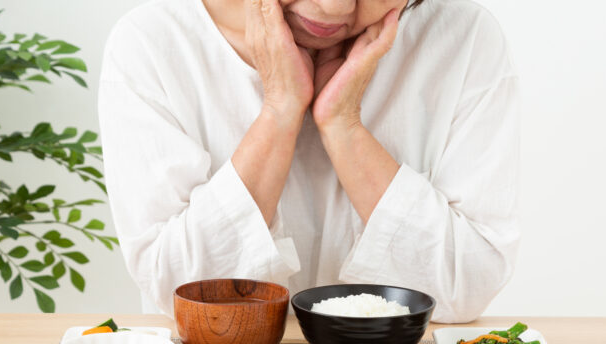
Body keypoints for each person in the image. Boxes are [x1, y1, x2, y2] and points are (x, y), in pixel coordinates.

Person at [98, 0, 520, 322]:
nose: (333, 8)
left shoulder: (464, 38)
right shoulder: (153, 43)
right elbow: (178, 288)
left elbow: (468, 284)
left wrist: (343, 125)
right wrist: (280, 110)